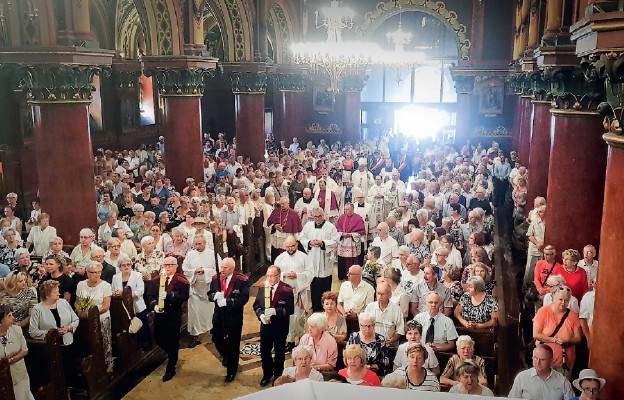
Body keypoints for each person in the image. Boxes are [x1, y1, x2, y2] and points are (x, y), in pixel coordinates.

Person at [29, 280, 80, 386]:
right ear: (47, 295)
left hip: (68, 344)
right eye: (55, 292)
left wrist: (69, 328)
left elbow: (76, 320)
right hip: (50, 348)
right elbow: (33, 331)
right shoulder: (37, 309)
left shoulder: (64, 303)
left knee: (69, 372)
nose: (59, 293)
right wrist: (52, 334)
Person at [208, 257, 250, 382]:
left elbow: (243, 299)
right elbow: (209, 294)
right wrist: (214, 296)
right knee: (216, 338)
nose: (222, 270)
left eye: (225, 268)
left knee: (233, 344)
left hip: (234, 317)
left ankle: (232, 370)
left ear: (232, 268)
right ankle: (227, 355)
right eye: (221, 267)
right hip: (219, 316)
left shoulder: (242, 280)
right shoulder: (216, 278)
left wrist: (227, 302)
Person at [252, 266, 294, 386]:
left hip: (280, 326)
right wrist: (260, 315)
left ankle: (277, 376)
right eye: (268, 275)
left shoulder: (287, 289)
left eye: (272, 276)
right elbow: (256, 305)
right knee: (265, 351)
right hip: (265, 326)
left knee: (279, 352)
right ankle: (267, 374)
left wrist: (276, 311)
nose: (269, 278)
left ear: (278, 276)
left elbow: (290, 309)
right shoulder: (262, 286)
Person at [273, 236, 314, 351]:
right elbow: (275, 273)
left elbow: (311, 273)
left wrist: (298, 275)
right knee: (288, 317)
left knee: (299, 317)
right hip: (285, 294)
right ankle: (290, 340)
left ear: (296, 245)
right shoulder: (280, 258)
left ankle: (301, 338)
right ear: (284, 246)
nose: (290, 249)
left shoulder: (304, 257)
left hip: (299, 292)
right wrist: (284, 275)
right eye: (287, 247)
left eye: (292, 246)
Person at [153, 256, 190, 381]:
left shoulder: (182, 281)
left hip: (173, 315)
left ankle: (171, 367)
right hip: (159, 315)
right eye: (165, 265)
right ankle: (171, 353)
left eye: (170, 265)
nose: (167, 267)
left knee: (173, 340)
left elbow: (184, 296)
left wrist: (170, 295)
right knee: (158, 338)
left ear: (176, 266)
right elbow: (150, 295)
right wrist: (154, 305)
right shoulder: (157, 280)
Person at [299, 207, 340, 312]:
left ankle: (326, 306)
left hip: (325, 260)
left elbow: (336, 240)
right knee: (314, 286)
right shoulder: (308, 226)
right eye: (315, 216)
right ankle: (315, 306)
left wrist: (323, 243)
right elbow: (301, 238)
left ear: (323, 215)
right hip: (312, 257)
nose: (317, 219)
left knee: (325, 285)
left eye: (319, 216)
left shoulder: (330, 227)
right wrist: (309, 243)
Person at [533, 287, 582, 375]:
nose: (563, 303)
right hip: (544, 361)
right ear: (553, 298)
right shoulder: (543, 312)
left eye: (566, 300)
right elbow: (536, 334)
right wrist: (554, 340)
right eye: (560, 299)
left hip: (565, 362)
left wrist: (567, 339)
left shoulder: (572, 316)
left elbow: (578, 338)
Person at [76, 261, 114, 371]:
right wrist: (80, 311)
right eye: (93, 272)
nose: (96, 275)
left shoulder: (105, 285)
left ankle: (108, 366)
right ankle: (91, 367)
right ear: (87, 273)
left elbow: (106, 306)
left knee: (104, 342)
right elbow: (77, 302)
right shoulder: (81, 284)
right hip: (84, 319)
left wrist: (92, 314)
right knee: (87, 342)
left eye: (98, 272)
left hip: (101, 318)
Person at [182, 235, 216, 348]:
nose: (197, 246)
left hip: (208, 288)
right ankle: (195, 336)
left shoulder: (212, 254)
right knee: (195, 313)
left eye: (199, 244)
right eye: (195, 244)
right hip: (195, 287)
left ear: (205, 243)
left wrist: (205, 271)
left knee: (209, 312)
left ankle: (212, 329)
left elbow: (218, 269)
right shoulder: (191, 255)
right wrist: (194, 271)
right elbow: (185, 269)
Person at [508, 344, 574, 399]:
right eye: (535, 358)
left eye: (542, 359)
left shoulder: (562, 381)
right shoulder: (522, 377)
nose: (538, 362)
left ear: (551, 361)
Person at [111, 254, 149, 349]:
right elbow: (113, 290)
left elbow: (140, 291)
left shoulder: (137, 275)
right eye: (124, 265)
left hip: (137, 305)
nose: (126, 267)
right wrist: (116, 294)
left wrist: (125, 295)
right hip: (122, 307)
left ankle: (144, 343)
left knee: (141, 326)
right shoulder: (115, 277)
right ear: (120, 267)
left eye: (128, 264)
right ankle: (130, 346)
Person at [0, 304, 35, 400]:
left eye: (12, 315)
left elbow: (24, 351)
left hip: (19, 375)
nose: (13, 318)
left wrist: (10, 360)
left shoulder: (17, 330)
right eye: (9, 316)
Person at [363, 282, 404, 348]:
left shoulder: (396, 309)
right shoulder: (370, 307)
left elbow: (400, 331)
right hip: (371, 345)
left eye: (382, 294)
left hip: (390, 347)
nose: (380, 297)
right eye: (378, 293)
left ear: (390, 295)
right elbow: (363, 326)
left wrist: (391, 341)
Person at [266, 197, 303, 262]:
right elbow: (268, 222)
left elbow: (297, 229)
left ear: (288, 204)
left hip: (288, 237)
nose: (282, 205)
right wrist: (275, 226)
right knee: (277, 255)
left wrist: (296, 240)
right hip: (277, 237)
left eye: (284, 204)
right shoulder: (276, 211)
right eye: (281, 204)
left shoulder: (294, 214)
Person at [336, 203, 367, 280]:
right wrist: (342, 234)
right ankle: (343, 275)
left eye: (347, 209)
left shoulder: (358, 218)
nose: (345, 211)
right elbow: (337, 230)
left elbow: (361, 232)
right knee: (343, 260)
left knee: (352, 260)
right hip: (343, 241)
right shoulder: (342, 217)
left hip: (352, 242)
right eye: (345, 209)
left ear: (352, 209)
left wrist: (350, 235)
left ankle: (352, 275)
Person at [524, 204, 546, 287]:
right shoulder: (535, 222)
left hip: (544, 251)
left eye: (540, 212)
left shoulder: (550, 223)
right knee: (530, 270)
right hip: (534, 250)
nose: (538, 214)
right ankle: (526, 288)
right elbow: (529, 235)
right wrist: (537, 243)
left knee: (541, 271)